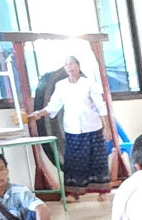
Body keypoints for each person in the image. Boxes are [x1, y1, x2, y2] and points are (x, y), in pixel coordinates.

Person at [39, 54, 109, 191]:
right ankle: (73, 192)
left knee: (97, 161)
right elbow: (53, 106)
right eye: (66, 64)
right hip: (72, 129)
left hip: (92, 127)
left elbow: (101, 107)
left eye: (71, 63)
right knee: (73, 162)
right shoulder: (60, 85)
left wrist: (107, 128)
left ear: (78, 66)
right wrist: (39, 113)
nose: (69, 67)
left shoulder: (89, 83)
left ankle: (101, 190)